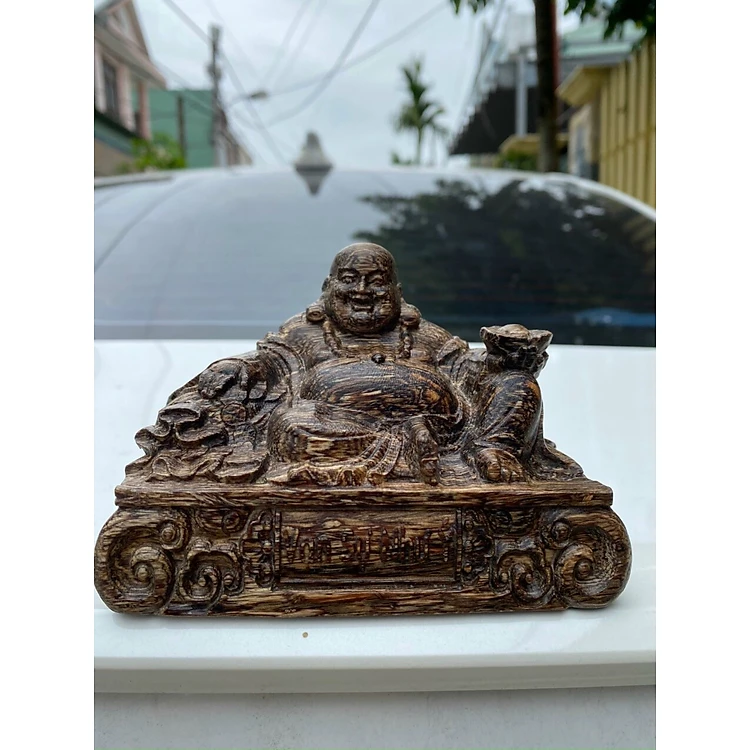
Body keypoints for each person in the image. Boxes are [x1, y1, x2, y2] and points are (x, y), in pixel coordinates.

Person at [132, 243, 582, 486]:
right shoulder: (304, 332)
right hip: (337, 425)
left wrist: (505, 357)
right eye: (349, 280)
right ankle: (404, 449)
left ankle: (493, 450)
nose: (362, 292)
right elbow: (268, 362)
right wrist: (237, 366)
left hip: (446, 427)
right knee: (289, 430)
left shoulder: (422, 333)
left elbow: (467, 370)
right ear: (328, 287)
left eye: (375, 282)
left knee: (518, 385)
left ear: (397, 292)